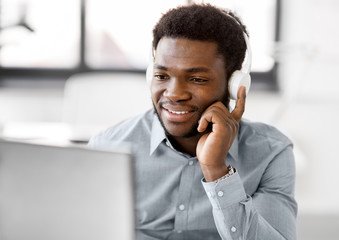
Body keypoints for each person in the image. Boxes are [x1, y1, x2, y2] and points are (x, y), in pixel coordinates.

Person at [89, 4, 297, 240]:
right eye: (161, 76)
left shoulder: (271, 152)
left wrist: (216, 171)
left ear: (235, 85)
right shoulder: (108, 146)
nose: (174, 93)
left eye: (197, 79)